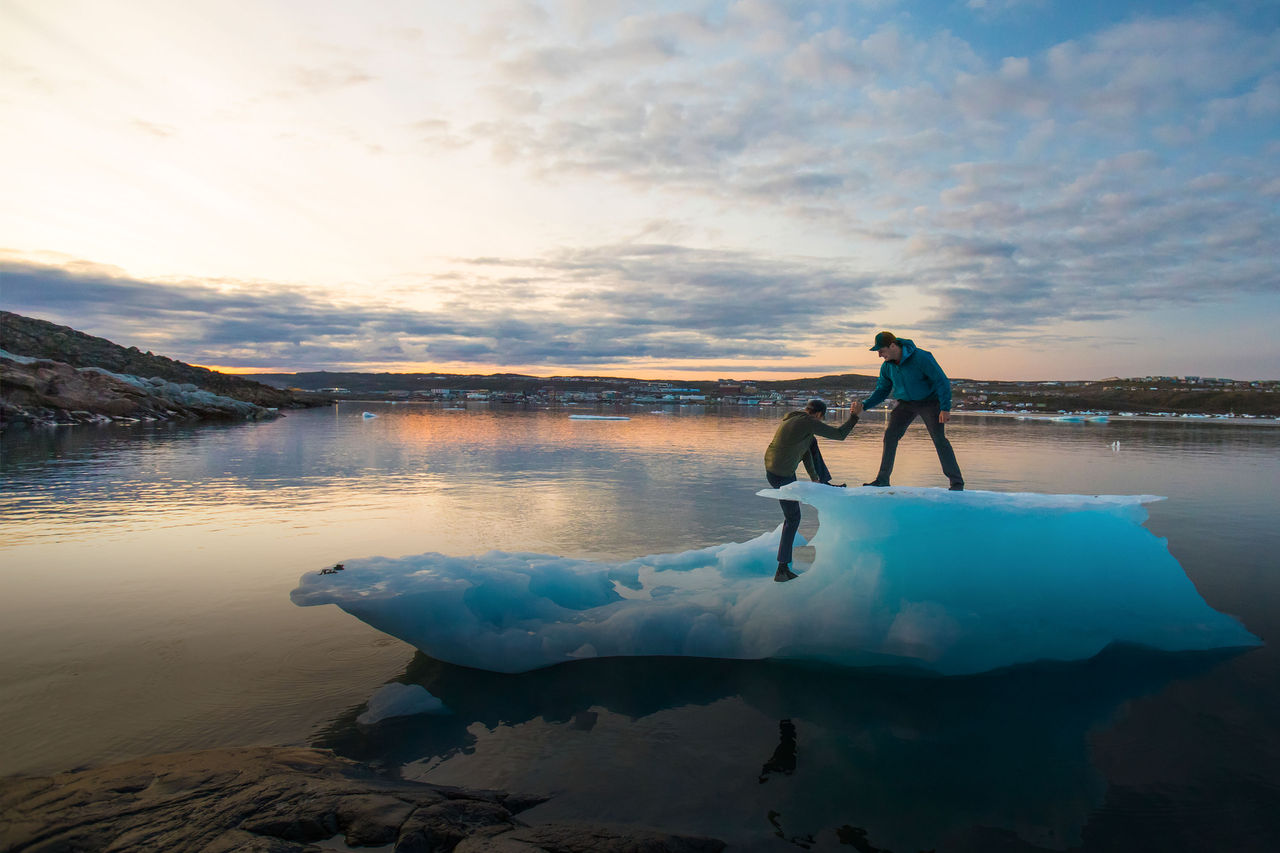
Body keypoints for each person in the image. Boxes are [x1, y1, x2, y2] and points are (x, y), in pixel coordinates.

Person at [853, 331, 964, 491]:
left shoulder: (921, 358)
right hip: (905, 404)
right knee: (890, 436)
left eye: (881, 350)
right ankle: (882, 479)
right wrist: (864, 405)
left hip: (930, 402)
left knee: (939, 440)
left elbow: (941, 381)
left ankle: (957, 483)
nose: (879, 355)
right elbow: (882, 391)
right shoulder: (887, 367)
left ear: (892, 346)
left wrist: (945, 408)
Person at [764, 399, 858, 582]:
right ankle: (782, 569)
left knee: (812, 441)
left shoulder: (795, 420)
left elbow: (806, 451)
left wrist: (815, 477)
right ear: (819, 415)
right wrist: (854, 416)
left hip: (775, 471)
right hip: (782, 475)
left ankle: (823, 481)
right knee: (793, 518)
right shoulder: (807, 422)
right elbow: (840, 434)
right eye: (822, 419)